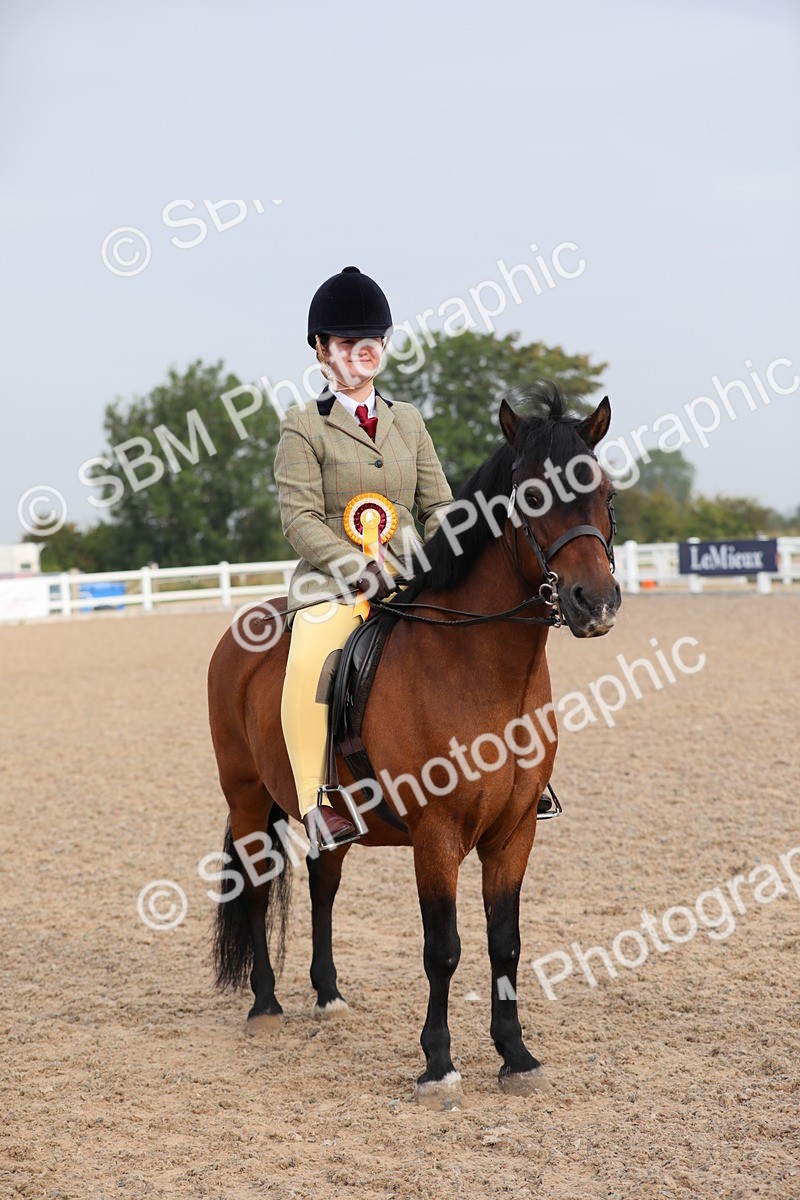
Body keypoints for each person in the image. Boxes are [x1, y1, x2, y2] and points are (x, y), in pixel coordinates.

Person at [274, 266, 453, 849]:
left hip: (410, 576)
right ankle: (316, 802)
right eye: (347, 343)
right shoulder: (304, 425)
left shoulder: (409, 421)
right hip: (334, 586)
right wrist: (358, 567)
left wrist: (453, 552)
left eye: (371, 340)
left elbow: (438, 505)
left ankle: (516, 777)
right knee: (310, 663)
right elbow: (299, 518)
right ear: (322, 351)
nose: (361, 352)